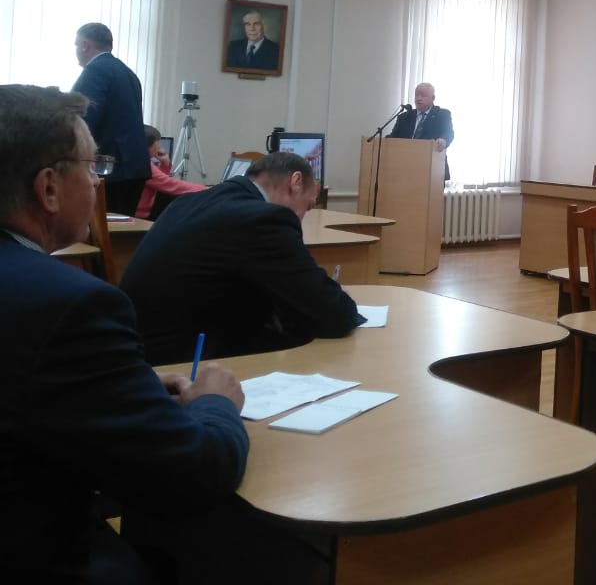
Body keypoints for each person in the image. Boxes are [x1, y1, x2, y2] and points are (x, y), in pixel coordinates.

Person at [0, 84, 249, 583]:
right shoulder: (70, 305)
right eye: (92, 167)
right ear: (49, 188)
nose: (98, 182)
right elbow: (190, 477)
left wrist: (111, 389)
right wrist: (214, 403)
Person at [120, 151, 364, 366]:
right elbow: (333, 314)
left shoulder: (192, 202)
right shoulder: (263, 219)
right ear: (295, 182)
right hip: (181, 364)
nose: (302, 218)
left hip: (135, 350)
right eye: (307, 207)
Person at [72, 22, 150, 214]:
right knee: (122, 228)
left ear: (85, 45)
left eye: (76, 45)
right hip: (135, 167)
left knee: (100, 228)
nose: (76, 51)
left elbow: (82, 121)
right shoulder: (129, 74)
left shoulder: (95, 71)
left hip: (108, 169)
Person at [136, 124, 205, 221]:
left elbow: (158, 183)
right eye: (158, 143)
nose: (159, 147)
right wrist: (209, 190)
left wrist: (165, 163)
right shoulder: (143, 165)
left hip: (139, 212)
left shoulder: (137, 160)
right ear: (148, 146)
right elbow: (170, 184)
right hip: (139, 216)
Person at [388, 81, 455, 180]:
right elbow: (393, 138)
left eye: (423, 95)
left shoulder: (442, 114)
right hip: (404, 167)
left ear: (433, 98)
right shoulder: (404, 117)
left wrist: (444, 140)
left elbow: (448, 133)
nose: (418, 98)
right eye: (416, 95)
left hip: (432, 168)